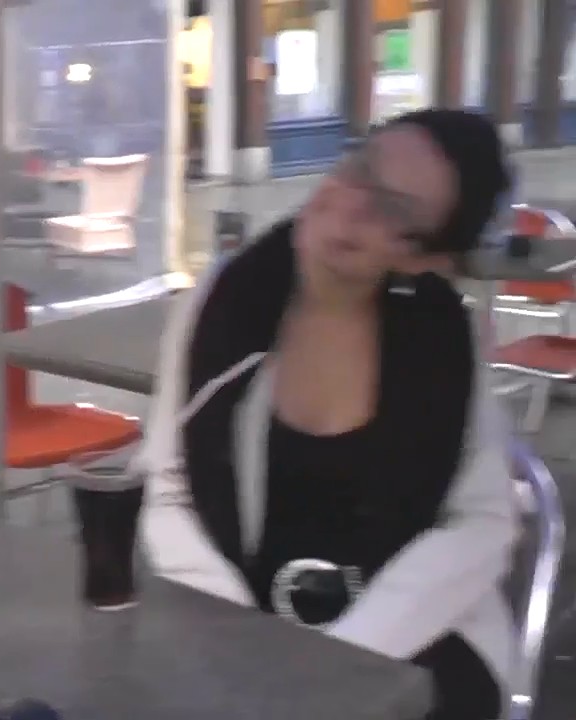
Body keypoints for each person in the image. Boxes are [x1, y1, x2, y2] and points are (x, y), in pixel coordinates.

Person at [137, 109, 517, 720]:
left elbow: (481, 523)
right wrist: (234, 634)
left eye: (393, 209)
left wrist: (341, 656)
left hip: (408, 632)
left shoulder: (447, 342)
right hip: (232, 614)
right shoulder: (221, 305)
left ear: (425, 259)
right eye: (362, 166)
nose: (352, 202)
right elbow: (170, 484)